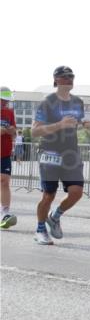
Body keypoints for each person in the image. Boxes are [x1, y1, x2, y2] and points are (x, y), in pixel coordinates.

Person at [31, 66, 90, 245]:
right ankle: (40, 230)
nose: (69, 79)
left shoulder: (78, 102)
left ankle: (55, 216)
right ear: (56, 80)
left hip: (71, 153)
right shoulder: (47, 102)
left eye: (71, 76)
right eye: (64, 76)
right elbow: (34, 131)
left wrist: (83, 124)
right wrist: (59, 125)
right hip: (50, 151)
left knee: (77, 192)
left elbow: (74, 123)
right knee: (48, 195)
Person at [1, 87, 17, 230]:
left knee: (4, 181)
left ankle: (4, 213)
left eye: (6, 101)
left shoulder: (9, 112)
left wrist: (11, 131)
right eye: (2, 100)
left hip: (5, 153)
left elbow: (14, 132)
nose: (4, 103)